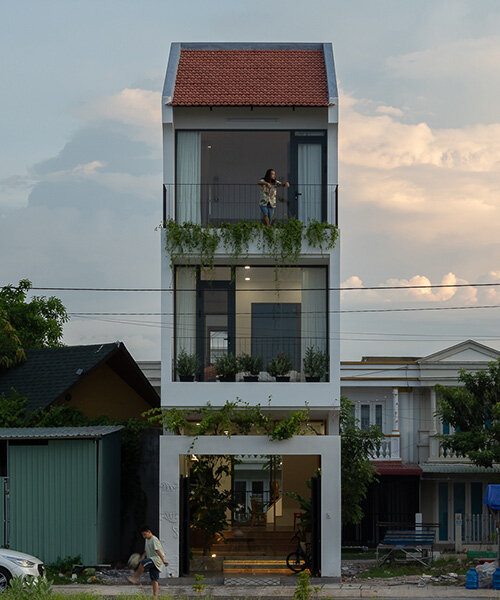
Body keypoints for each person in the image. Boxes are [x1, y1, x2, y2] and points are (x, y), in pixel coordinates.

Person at [127, 525, 168, 598]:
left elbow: (158, 550)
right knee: (154, 579)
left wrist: (163, 560)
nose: (144, 536)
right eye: (143, 535)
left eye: (145, 534)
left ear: (149, 532)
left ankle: (135, 579)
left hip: (156, 559)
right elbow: (146, 550)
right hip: (153, 560)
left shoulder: (154, 539)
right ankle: (155, 597)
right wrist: (142, 557)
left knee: (143, 563)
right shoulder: (147, 539)